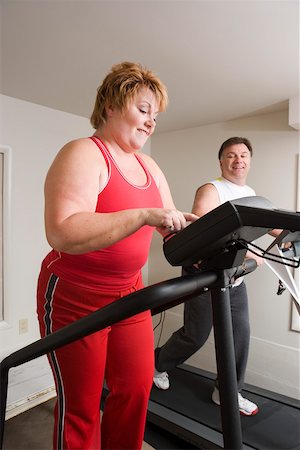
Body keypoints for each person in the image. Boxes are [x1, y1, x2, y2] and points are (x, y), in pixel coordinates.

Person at [36, 61, 198, 450]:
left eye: (155, 116)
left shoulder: (149, 166)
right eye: (143, 110)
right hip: (75, 296)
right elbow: (63, 231)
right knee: (82, 404)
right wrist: (144, 214)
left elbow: (169, 226)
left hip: (130, 294)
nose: (150, 123)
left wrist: (206, 235)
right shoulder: (84, 153)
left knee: (136, 389)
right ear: (111, 105)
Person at [154, 136, 264, 416]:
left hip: (233, 276)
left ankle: (228, 392)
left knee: (240, 335)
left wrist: (288, 233)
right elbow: (203, 227)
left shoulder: (250, 191)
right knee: (196, 334)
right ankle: (157, 365)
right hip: (205, 273)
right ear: (221, 161)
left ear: (249, 161)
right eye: (231, 155)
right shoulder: (212, 188)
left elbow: (267, 222)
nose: (238, 160)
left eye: (243, 155)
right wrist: (249, 253)